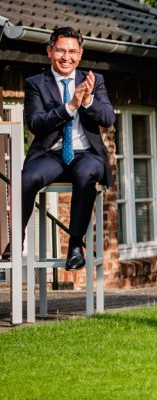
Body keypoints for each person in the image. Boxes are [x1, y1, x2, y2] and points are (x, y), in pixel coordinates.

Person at [13, 27, 114, 270]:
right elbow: (36, 123)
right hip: (51, 155)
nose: (66, 57)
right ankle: (16, 241)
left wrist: (88, 101)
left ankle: (76, 246)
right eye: (60, 50)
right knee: (26, 179)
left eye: (71, 51)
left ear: (80, 54)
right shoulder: (35, 83)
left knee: (86, 173)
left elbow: (108, 118)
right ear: (50, 51)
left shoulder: (94, 80)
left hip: (86, 154)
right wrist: (70, 106)